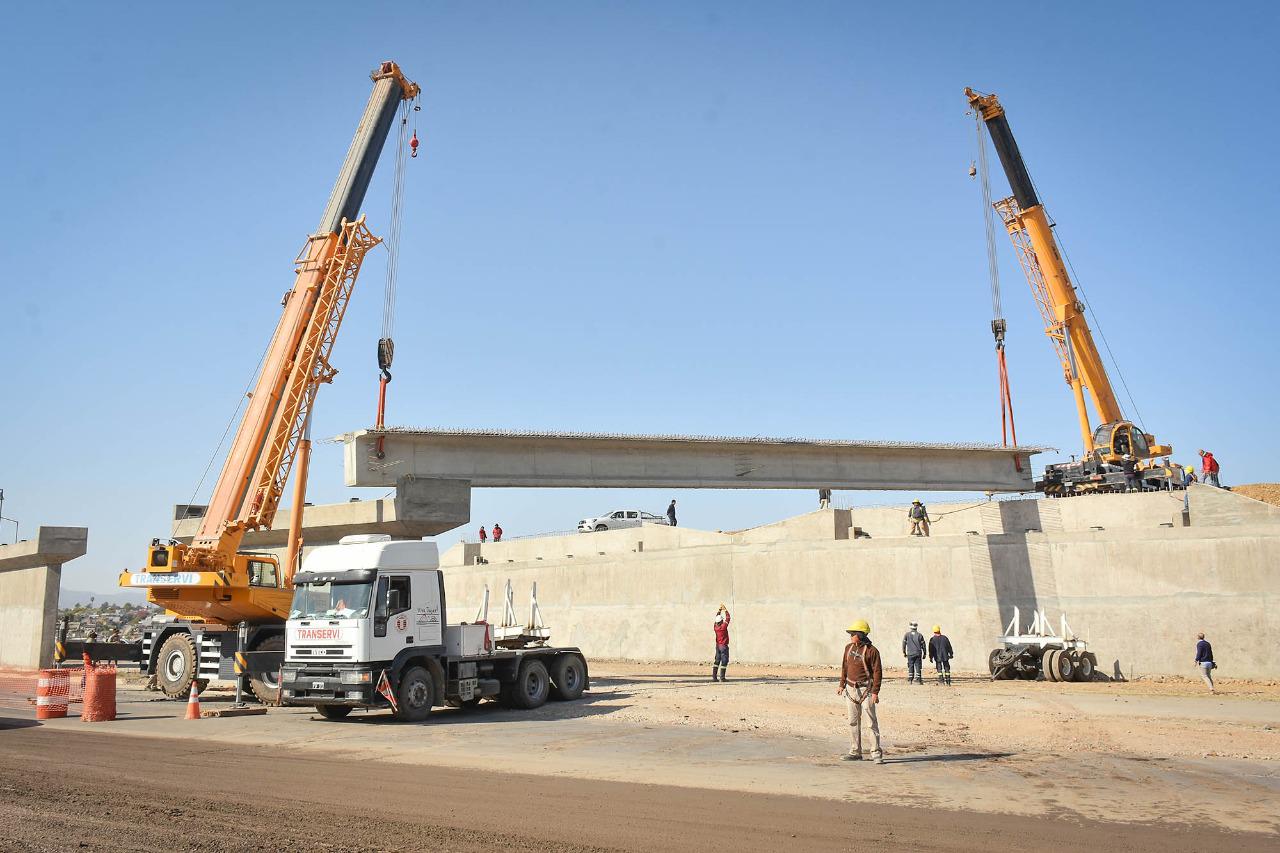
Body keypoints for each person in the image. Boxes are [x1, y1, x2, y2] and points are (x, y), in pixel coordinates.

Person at [836, 619, 884, 764]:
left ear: (861, 635)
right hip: (851, 690)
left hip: (866, 691)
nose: (850, 636)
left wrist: (875, 692)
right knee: (852, 721)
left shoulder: (872, 651)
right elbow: (844, 667)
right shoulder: (848, 648)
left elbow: (877, 672)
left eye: (852, 634)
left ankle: (876, 753)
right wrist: (841, 685)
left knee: (871, 723)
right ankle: (855, 751)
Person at [712, 604, 731, 681]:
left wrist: (719, 610)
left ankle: (714, 677)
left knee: (717, 661)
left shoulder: (715, 626)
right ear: (721, 621)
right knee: (724, 661)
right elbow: (728, 618)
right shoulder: (723, 627)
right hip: (723, 646)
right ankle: (722, 678)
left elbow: (716, 618)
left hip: (718, 646)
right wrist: (725, 610)